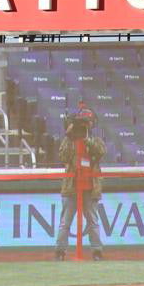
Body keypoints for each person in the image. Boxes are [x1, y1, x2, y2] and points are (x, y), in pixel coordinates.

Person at [55, 103, 107, 261]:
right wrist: (69, 135)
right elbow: (62, 157)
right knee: (65, 222)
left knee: (93, 220)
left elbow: (101, 152)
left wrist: (87, 140)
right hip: (71, 186)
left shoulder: (95, 140)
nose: (84, 127)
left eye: (87, 124)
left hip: (90, 187)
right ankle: (60, 251)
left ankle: (97, 251)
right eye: (82, 124)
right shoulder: (69, 140)